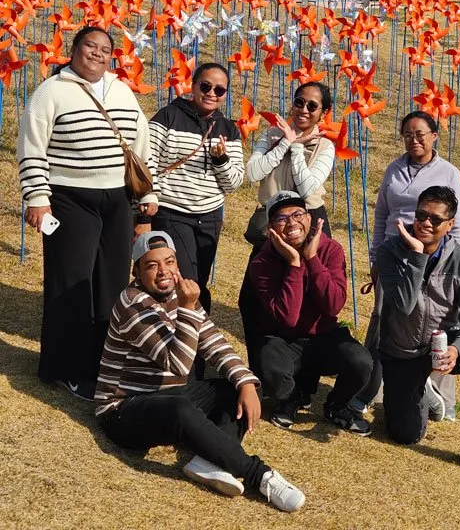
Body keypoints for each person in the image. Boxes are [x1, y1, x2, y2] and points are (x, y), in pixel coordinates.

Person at [95, 231, 305, 511]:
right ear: (136, 271)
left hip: (170, 396)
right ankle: (261, 476)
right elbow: (179, 365)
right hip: (124, 409)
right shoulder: (132, 303)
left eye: (169, 262)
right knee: (179, 408)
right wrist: (187, 307)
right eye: (151, 265)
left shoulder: (180, 293)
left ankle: (208, 462)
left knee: (240, 384)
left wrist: (245, 383)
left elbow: (215, 344)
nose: (163, 272)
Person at [18, 26, 159, 400]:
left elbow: (139, 143)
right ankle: (65, 367)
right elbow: (32, 143)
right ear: (74, 50)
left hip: (117, 200)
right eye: (89, 46)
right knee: (72, 282)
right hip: (69, 197)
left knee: (111, 283)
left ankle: (103, 362)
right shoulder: (52, 90)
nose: (96, 53)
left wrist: (148, 191)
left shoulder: (121, 89)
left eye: (104, 49)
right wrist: (36, 196)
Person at [375, 186, 460, 486]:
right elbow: (403, 305)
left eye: (435, 219)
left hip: (440, 344)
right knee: (406, 435)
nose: (425, 223)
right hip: (402, 350)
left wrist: (457, 350)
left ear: (450, 224)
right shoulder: (389, 252)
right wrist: (417, 256)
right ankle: (423, 391)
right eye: (421, 215)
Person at [353, 110, 460, 416]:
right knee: (383, 318)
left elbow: (458, 226)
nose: (413, 140)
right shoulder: (394, 168)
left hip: (432, 258)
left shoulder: (448, 173)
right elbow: (381, 216)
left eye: (420, 134)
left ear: (434, 136)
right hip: (394, 255)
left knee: (436, 323)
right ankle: (369, 389)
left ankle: (437, 395)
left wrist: (452, 263)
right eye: (407, 135)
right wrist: (376, 256)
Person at [248, 191, 373, 435]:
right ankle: (293, 397)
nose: (292, 223)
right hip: (282, 338)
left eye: (298, 214)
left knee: (360, 362)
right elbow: (288, 318)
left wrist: (312, 259)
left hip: (323, 335)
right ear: (271, 228)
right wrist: (295, 264)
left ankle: (337, 406)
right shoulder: (262, 262)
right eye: (282, 219)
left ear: (310, 218)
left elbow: (333, 305)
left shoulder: (330, 250)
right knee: (270, 372)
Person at [239, 82, 336, 368]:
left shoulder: (325, 145)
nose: (303, 110)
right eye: (299, 102)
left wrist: (296, 150)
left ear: (323, 112)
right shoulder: (270, 134)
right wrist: (284, 142)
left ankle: (302, 379)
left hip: (308, 225)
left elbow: (308, 190)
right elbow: (252, 172)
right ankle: (260, 369)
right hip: (271, 224)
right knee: (252, 299)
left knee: (310, 302)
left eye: (312, 106)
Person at [149, 62, 243, 320]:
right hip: (172, 211)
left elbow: (233, 183)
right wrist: (147, 207)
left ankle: (196, 341)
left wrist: (220, 160)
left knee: (198, 280)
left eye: (220, 89)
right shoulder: (168, 116)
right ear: (192, 86)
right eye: (205, 86)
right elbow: (147, 162)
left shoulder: (229, 130)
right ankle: (189, 347)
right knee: (186, 281)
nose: (212, 93)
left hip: (210, 215)